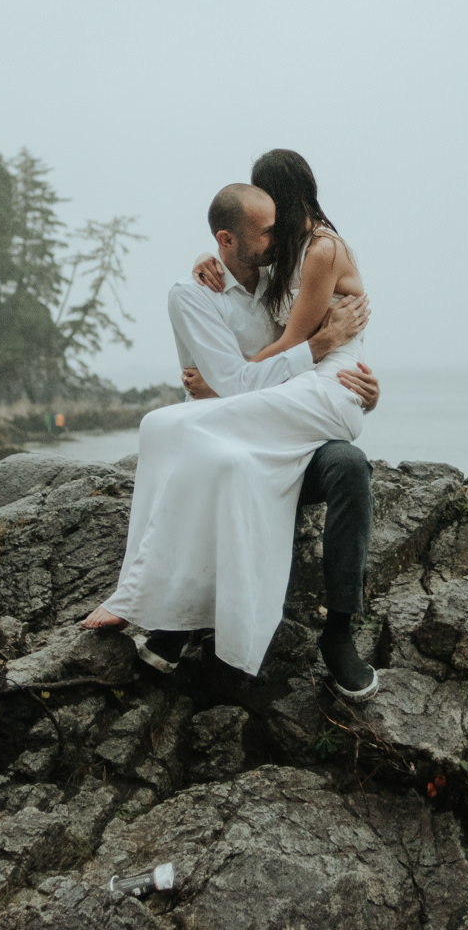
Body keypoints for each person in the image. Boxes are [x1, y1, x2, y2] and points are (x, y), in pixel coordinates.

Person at [83, 150, 381, 699]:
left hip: (319, 397)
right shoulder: (254, 269)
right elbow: (270, 321)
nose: (270, 234)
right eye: (259, 227)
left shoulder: (318, 251)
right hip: (283, 406)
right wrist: (208, 255)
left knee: (189, 434)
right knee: (186, 441)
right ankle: (169, 612)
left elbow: (300, 345)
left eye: (272, 219)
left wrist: (234, 385)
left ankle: (339, 632)